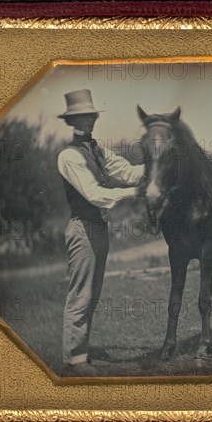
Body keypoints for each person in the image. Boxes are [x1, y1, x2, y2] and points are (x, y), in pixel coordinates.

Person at [56, 89, 145, 376]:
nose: (88, 121)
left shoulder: (96, 150)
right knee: (80, 295)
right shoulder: (69, 156)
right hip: (83, 229)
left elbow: (127, 171)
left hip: (98, 229)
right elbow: (94, 194)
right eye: (81, 117)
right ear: (72, 121)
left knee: (92, 295)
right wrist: (138, 192)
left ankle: (81, 353)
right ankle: (74, 361)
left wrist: (160, 166)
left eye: (90, 116)